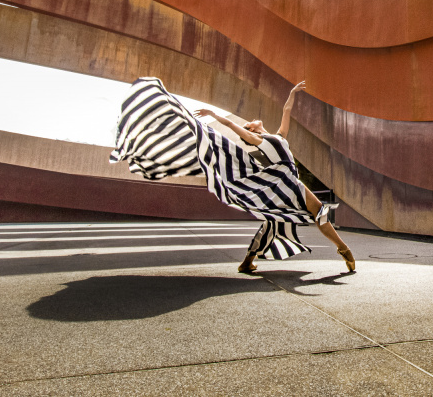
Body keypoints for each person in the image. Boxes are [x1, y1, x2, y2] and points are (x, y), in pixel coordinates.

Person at [109, 77, 355, 274]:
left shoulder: (279, 135)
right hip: (286, 182)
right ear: (251, 129)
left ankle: (247, 261)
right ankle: (343, 249)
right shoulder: (256, 139)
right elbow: (231, 127)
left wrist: (292, 92)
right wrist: (215, 116)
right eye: (250, 123)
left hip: (286, 183)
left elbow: (286, 110)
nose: (253, 120)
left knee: (274, 222)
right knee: (317, 210)